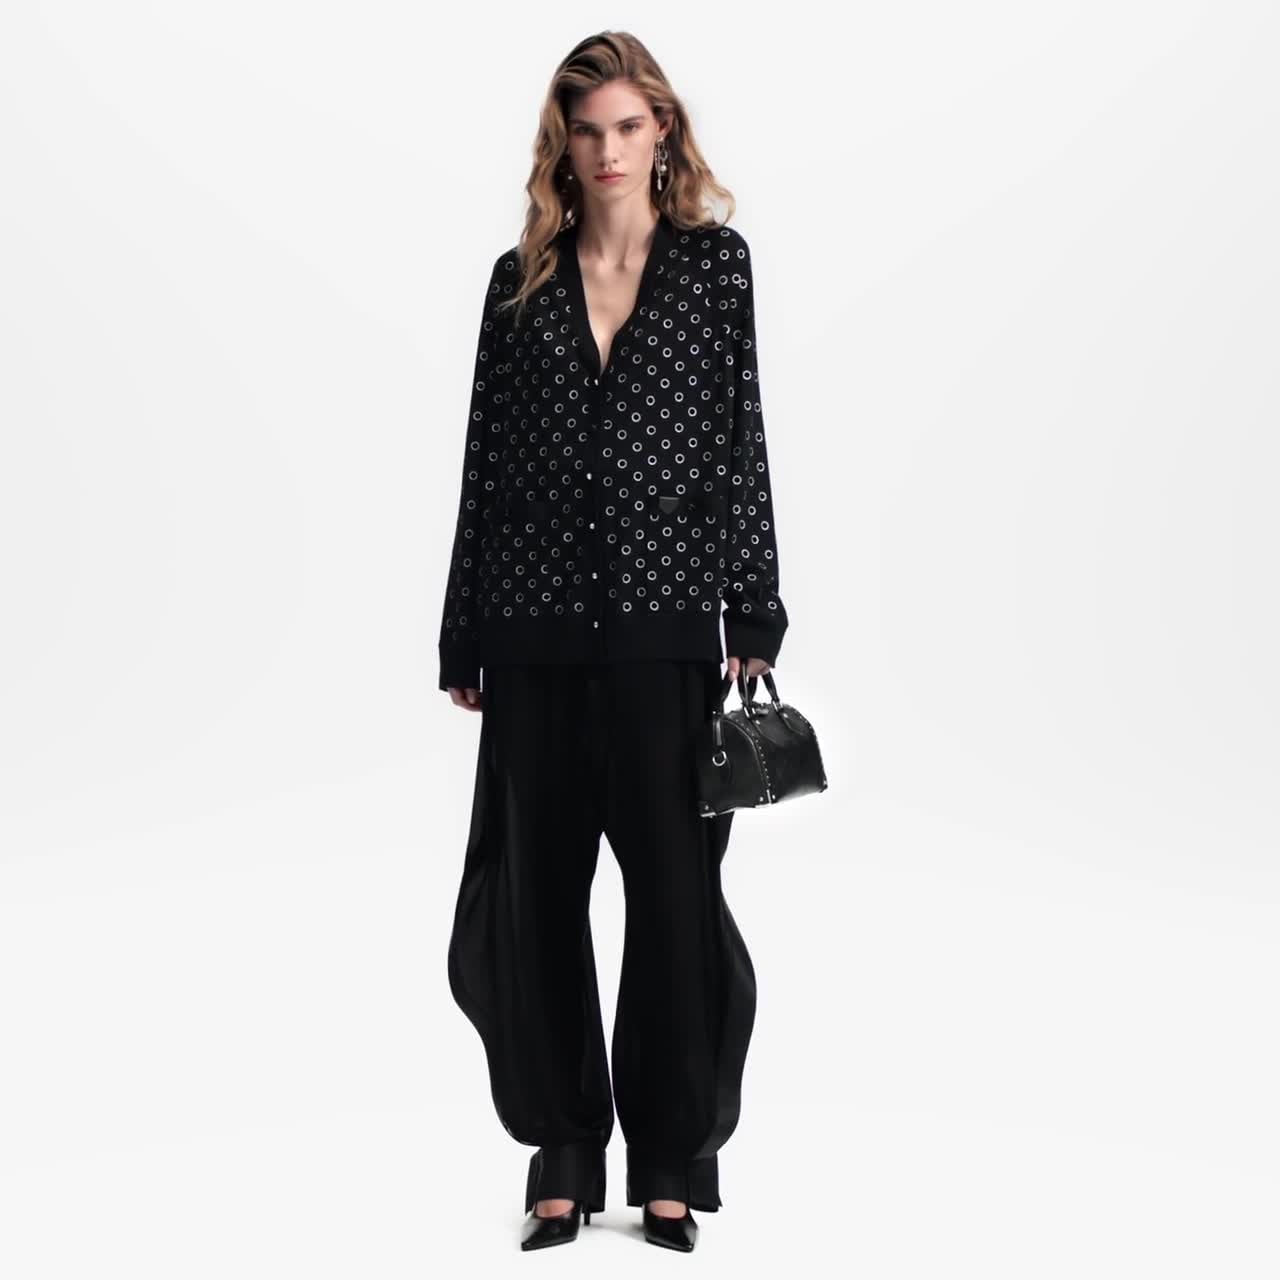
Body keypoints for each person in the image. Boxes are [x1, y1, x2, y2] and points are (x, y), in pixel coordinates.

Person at [437, 30, 789, 1253]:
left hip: (663, 636)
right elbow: (483, 464)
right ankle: (564, 1150)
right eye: (585, 130)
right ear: (562, 143)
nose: (606, 151)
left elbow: (740, 439)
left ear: (662, 132)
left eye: (627, 127)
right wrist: (462, 630)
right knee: (536, 901)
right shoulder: (518, 281)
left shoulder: (714, 269)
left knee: (675, 902)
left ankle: (672, 1157)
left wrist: (752, 607)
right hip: (532, 633)